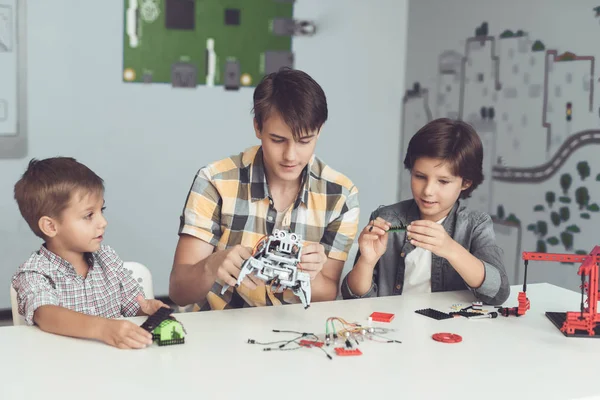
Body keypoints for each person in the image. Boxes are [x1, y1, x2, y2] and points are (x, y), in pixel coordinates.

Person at [169, 68, 360, 311]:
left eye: (304, 141)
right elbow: (178, 292)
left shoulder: (341, 195)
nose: (291, 156)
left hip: (293, 332)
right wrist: (212, 264)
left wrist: (312, 274)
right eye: (278, 140)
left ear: (319, 131)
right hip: (217, 330)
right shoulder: (215, 181)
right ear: (257, 128)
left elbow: (328, 292)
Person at [341, 118, 510, 305]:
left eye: (443, 181)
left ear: (466, 182)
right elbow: (352, 299)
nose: (428, 190)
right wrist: (366, 261)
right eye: (420, 176)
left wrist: (451, 249)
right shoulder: (387, 219)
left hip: (451, 331)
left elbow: (498, 292)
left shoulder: (475, 225)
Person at [12, 157, 167, 349]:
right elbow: (46, 314)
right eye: (89, 215)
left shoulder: (107, 258)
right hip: (63, 369)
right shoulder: (34, 273)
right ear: (50, 226)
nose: (103, 222)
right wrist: (104, 328)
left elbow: (132, 306)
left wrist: (147, 309)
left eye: (101, 210)